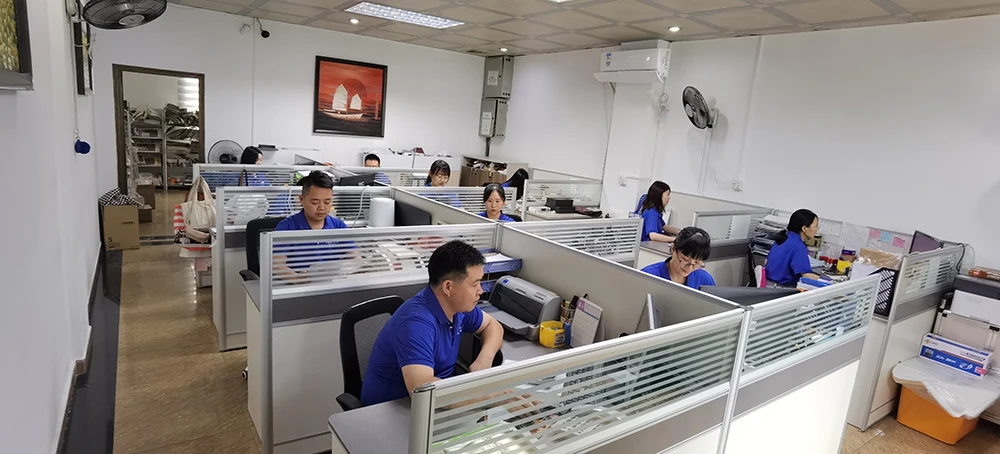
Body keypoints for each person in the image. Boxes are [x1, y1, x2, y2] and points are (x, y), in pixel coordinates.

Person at [361, 240, 504, 406]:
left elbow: (493, 326)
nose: (481, 290)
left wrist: (484, 360)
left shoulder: (458, 307)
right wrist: (488, 396)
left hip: (436, 400)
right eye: (475, 284)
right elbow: (423, 390)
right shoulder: (416, 324)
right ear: (448, 287)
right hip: (393, 408)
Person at [273, 171, 351, 280]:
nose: (321, 208)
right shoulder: (287, 227)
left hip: (331, 284)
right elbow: (276, 265)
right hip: (299, 286)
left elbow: (355, 258)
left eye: (327, 202)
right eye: (315, 202)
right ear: (301, 199)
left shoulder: (339, 226)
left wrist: (344, 269)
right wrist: (297, 278)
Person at [641, 227, 716, 289]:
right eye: (685, 260)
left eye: (697, 263)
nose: (689, 268)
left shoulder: (704, 279)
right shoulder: (648, 276)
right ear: (673, 249)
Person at [765, 209, 821, 287]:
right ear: (804, 228)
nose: (817, 230)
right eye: (816, 226)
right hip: (779, 288)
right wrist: (830, 283)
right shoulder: (799, 246)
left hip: (767, 284)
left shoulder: (785, 237)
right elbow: (806, 275)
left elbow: (766, 261)